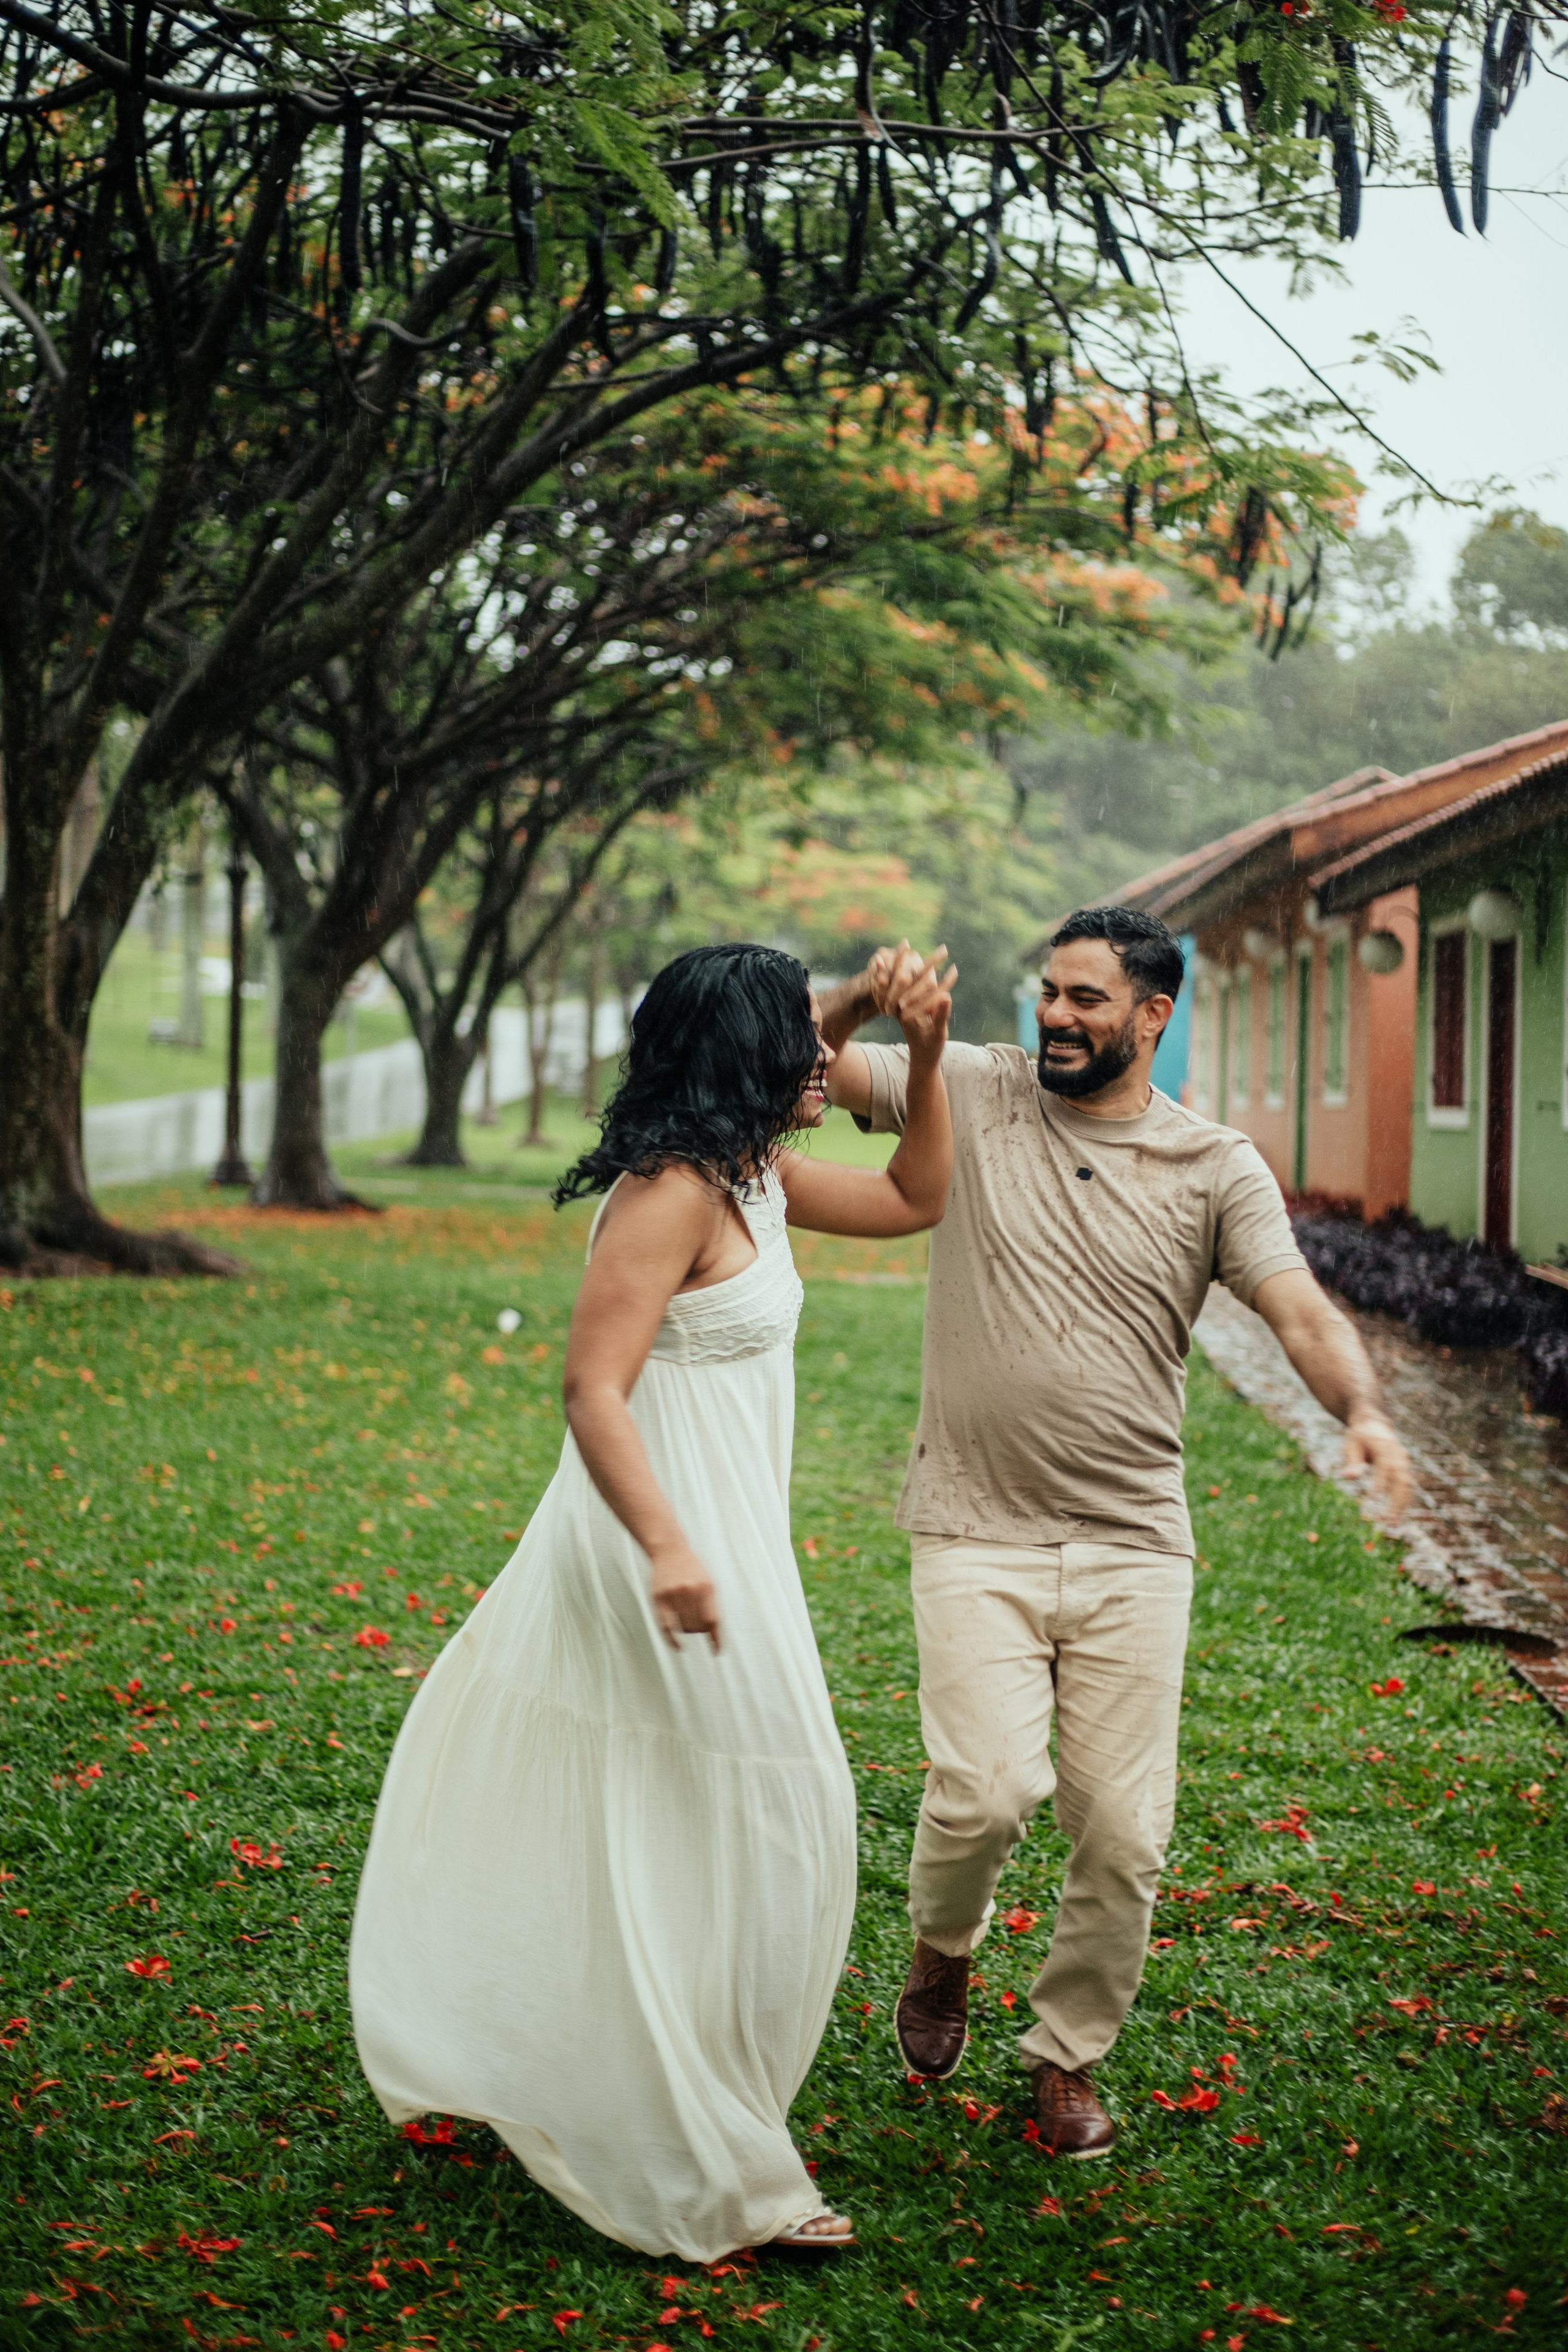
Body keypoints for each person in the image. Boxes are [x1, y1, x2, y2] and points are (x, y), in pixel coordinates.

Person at [350, 940, 956, 2260]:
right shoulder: (666, 1194)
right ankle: (718, 2166)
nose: (821, 1059)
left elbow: (919, 1194)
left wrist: (914, 1041)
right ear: (737, 1057)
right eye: (797, 1042)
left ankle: (638, 2081)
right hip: (648, 1544)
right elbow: (591, 1390)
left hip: (725, 1541)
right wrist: (668, 1549)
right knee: (761, 1807)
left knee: (724, 1819)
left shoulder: (762, 1178)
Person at [819, 905, 1411, 2159]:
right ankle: (941, 1957)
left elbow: (1295, 1307)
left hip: (1133, 1540)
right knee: (982, 1795)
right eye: (1048, 993)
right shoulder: (971, 1088)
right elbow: (786, 1076)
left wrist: (1359, 1409)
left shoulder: (1213, 1165)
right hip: (974, 1525)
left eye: (1087, 1000)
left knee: (1123, 1831)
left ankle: (1066, 2055)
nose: (1054, 1017)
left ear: (1152, 1015)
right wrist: (860, 1005)